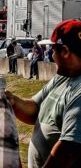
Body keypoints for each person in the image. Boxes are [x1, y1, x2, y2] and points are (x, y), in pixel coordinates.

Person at [5, 19, 81, 167]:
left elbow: (69, 150)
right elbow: (35, 110)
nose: (52, 56)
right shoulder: (63, 77)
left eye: (53, 50)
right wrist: (13, 100)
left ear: (65, 51)